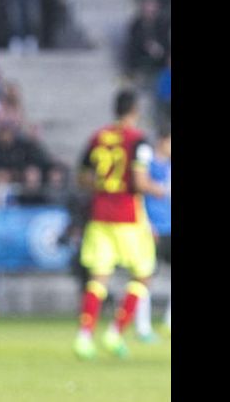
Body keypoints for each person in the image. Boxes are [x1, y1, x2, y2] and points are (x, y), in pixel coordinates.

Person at [72, 89, 169, 360]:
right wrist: (159, 189)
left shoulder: (98, 137)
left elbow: (81, 176)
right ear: (136, 110)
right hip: (128, 215)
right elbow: (139, 182)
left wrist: (103, 186)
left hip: (100, 215)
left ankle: (84, 337)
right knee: (143, 274)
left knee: (98, 278)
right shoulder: (139, 141)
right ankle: (115, 333)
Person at [134, 125, 171, 340]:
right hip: (151, 228)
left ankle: (168, 321)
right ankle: (143, 327)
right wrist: (146, 223)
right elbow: (139, 194)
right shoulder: (147, 164)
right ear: (162, 141)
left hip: (170, 226)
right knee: (144, 275)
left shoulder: (168, 166)